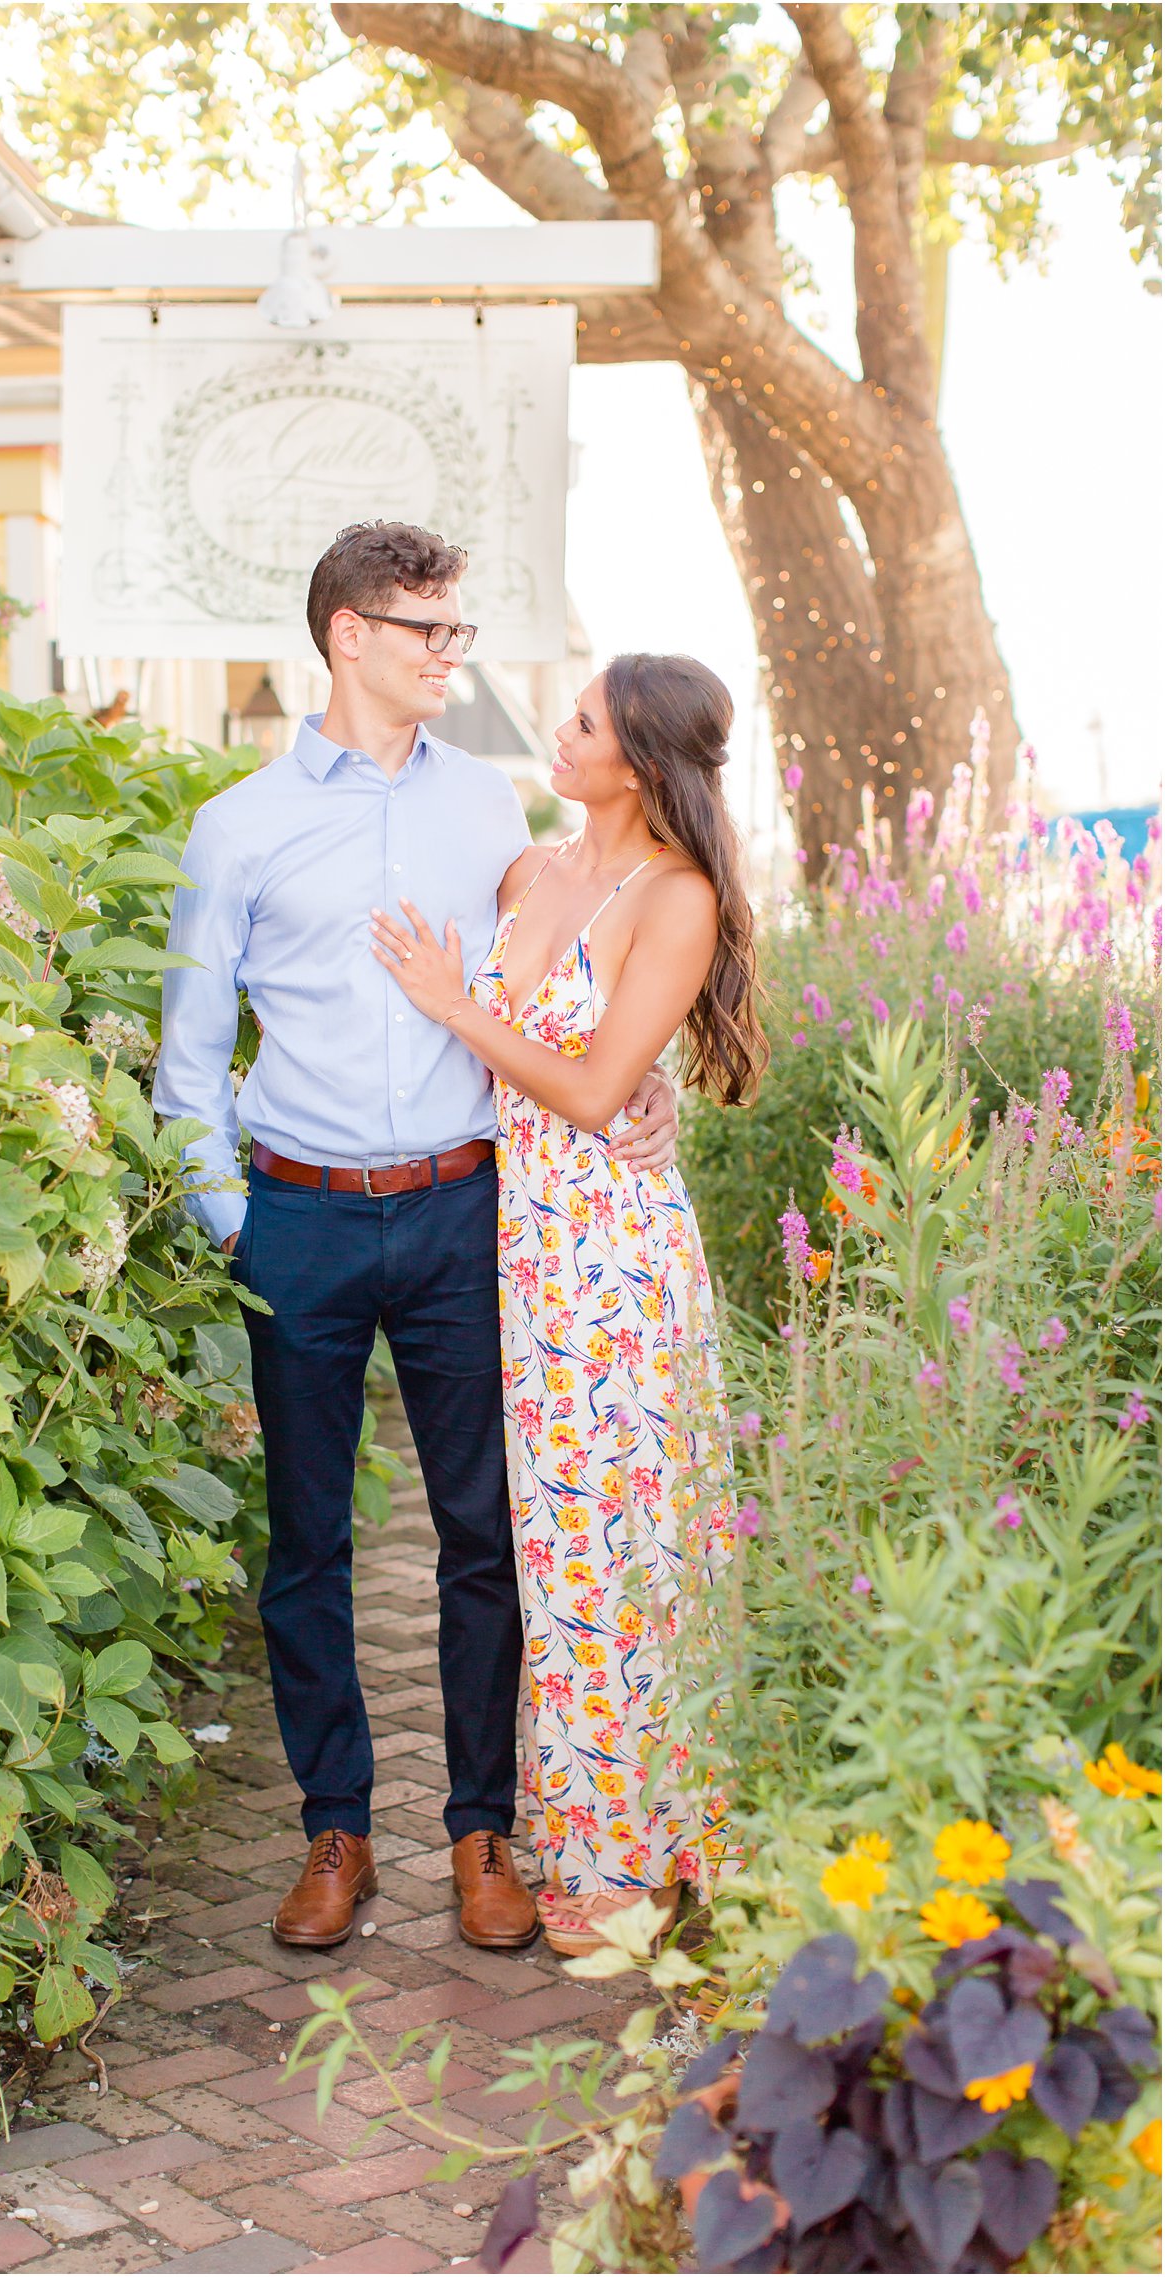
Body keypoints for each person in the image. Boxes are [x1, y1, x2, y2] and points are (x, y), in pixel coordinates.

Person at [154, 522, 679, 1952]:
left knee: (480, 1533)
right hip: (303, 1222)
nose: (453, 653)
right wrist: (237, 1226)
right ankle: (336, 1830)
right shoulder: (238, 827)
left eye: (458, 628)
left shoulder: (492, 810)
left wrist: (651, 1087)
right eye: (427, 629)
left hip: (466, 1214)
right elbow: (188, 1062)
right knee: (305, 1543)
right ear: (348, 635)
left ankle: (481, 1834)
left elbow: (575, 977)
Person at [371, 651, 767, 1956]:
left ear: (641, 758)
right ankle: (579, 1836)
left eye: (586, 718)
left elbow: (599, 1090)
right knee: (558, 1559)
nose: (563, 727)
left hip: (618, 1266)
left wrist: (448, 1006)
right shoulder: (533, 868)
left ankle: (648, 1858)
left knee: (633, 1557)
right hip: (528, 1254)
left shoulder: (678, 897)